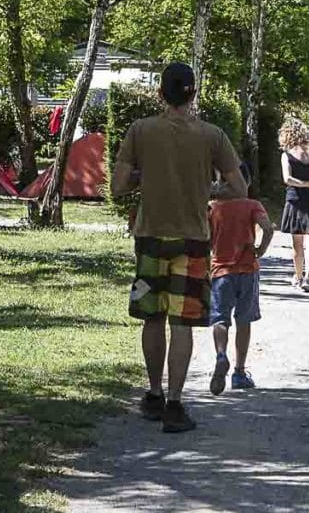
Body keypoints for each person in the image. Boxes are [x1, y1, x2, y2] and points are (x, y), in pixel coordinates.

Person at [111, 62, 248, 433]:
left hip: (150, 236)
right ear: (193, 94)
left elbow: (118, 185)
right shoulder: (213, 136)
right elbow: (239, 188)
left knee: (152, 318)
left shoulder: (140, 131)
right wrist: (209, 189)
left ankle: (153, 394)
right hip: (193, 240)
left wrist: (145, 176)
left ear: (160, 94)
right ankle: (175, 403)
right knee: (182, 322)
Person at [208, 165, 274, 395]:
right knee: (243, 321)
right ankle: (239, 372)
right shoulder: (252, 205)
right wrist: (260, 250)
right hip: (247, 270)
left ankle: (220, 355)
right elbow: (267, 228)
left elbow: (207, 238)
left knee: (220, 319)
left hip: (220, 272)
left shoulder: (213, 208)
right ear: (246, 183)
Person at [279, 118, 309, 293]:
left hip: (295, 199)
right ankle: (308, 277)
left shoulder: (287, 154)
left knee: (297, 243)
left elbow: (287, 179)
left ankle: (298, 277)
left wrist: (305, 183)